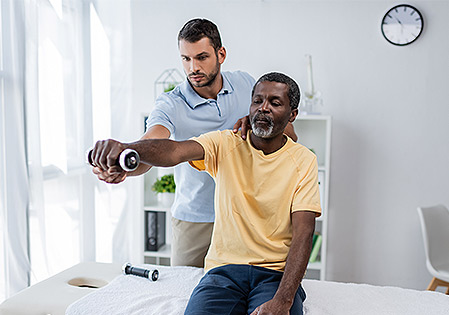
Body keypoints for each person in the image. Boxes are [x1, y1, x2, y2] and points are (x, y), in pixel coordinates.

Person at [89, 72, 321, 315]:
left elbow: (304, 233)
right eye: (257, 101)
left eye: (275, 103)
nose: (263, 108)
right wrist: (126, 148)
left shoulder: (304, 161)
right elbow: (174, 152)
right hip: (224, 273)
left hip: (274, 275)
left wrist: (283, 301)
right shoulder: (225, 143)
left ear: (292, 114)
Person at [92, 18, 297, 268]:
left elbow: (290, 135)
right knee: (183, 297)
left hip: (245, 215)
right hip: (195, 220)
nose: (193, 68)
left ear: (221, 54)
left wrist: (258, 121)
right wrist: (125, 160)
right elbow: (153, 143)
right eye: (186, 59)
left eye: (201, 57)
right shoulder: (171, 103)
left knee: (240, 294)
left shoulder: (245, 84)